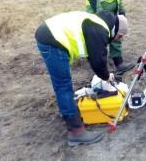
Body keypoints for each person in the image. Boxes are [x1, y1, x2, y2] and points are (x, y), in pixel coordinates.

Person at [35, 10, 128, 146]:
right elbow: (98, 61)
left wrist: (105, 74)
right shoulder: (100, 29)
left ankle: (68, 113)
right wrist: (106, 76)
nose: (117, 40)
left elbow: (93, 54)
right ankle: (76, 131)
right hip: (52, 40)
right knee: (63, 86)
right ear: (116, 30)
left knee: (62, 85)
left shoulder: (97, 22)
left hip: (49, 34)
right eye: (119, 37)